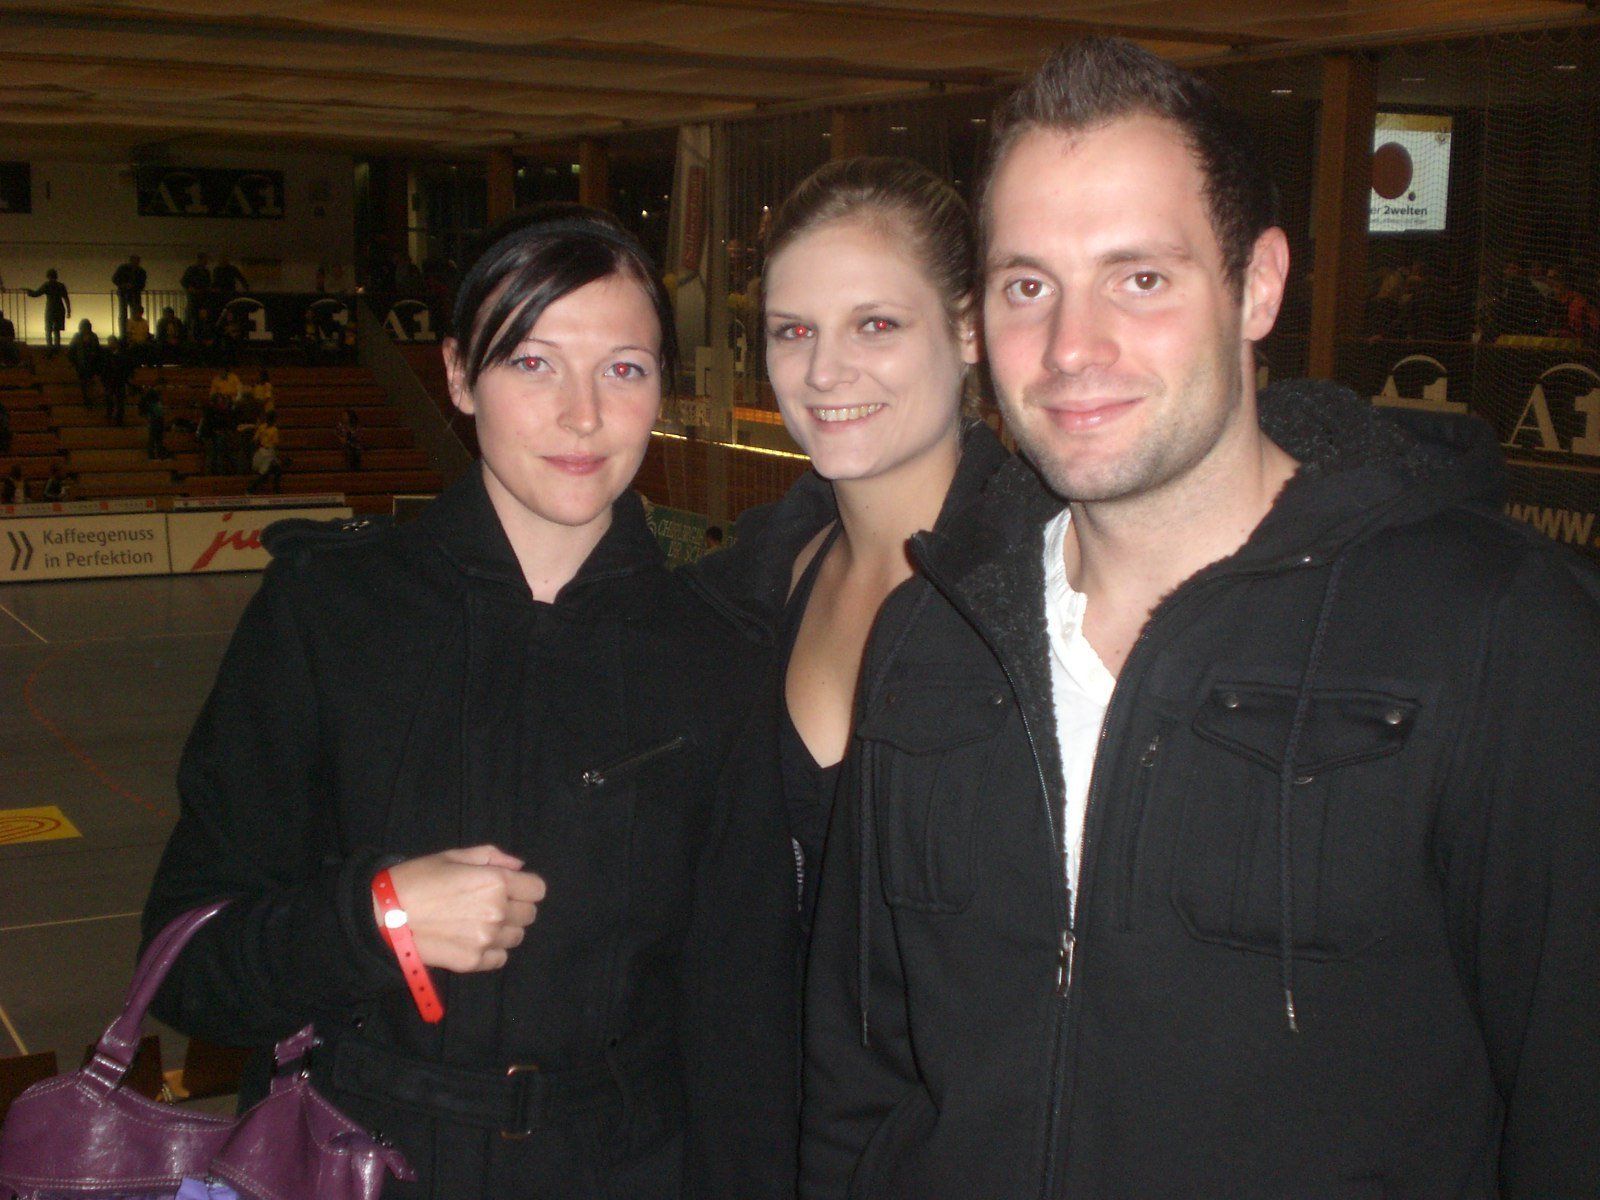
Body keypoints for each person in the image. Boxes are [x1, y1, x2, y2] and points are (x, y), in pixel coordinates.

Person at [800, 37, 1600, 1200]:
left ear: (1257, 285)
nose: (1071, 349)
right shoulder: (931, 636)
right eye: (1028, 286)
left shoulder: (1491, 630)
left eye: (1139, 278)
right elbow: (858, 1071)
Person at [142, 203, 794, 1200]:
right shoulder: (327, 611)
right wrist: (374, 919)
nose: (582, 415)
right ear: (456, 374)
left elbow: (744, 1016)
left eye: (623, 368)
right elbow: (188, 968)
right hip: (357, 1161)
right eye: (533, 363)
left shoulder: (719, 657)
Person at [26, 268, 69, 354]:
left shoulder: (47, 285)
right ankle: (57, 348)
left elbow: (36, 293)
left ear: (48, 276)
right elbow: (66, 298)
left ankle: (49, 347)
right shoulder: (61, 286)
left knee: (48, 329)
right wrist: (69, 310)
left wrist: (28, 291)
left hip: (50, 309)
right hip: (60, 309)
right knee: (57, 330)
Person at [245, 410, 282, 494]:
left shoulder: (264, 427)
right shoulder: (272, 429)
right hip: (266, 451)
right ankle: (251, 488)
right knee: (264, 472)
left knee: (277, 469)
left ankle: (276, 489)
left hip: (265, 451)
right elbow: (275, 444)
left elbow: (255, 440)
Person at [66, 318, 100, 404]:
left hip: (90, 364)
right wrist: (75, 362)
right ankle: (87, 398)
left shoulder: (91, 337)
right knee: (85, 383)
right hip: (82, 364)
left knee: (88, 383)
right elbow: (71, 351)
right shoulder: (81, 337)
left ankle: (88, 398)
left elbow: (97, 350)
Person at [112, 253, 147, 332]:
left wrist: (124, 285)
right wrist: (128, 285)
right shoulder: (140, 271)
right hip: (130, 294)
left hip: (127, 293)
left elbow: (115, 279)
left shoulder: (124, 268)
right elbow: (142, 284)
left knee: (125, 314)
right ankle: (128, 332)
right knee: (128, 314)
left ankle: (127, 331)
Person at [181, 252, 212, 330]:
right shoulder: (192, 270)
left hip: (202, 297)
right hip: (194, 297)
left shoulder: (205, 272)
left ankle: (198, 329)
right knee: (192, 314)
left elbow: (208, 284)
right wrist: (191, 289)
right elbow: (184, 282)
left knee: (199, 316)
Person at [336, 406, 363, 471]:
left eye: (345, 415)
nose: (344, 417)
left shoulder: (356, 426)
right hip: (345, 445)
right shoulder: (340, 426)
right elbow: (339, 436)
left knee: (354, 451)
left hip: (354, 445)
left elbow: (358, 436)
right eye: (343, 415)